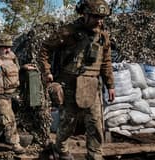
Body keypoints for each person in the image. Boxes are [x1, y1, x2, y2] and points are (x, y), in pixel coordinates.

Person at [38, 0, 115, 159]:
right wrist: (47, 73)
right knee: (68, 124)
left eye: (102, 17)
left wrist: (110, 85)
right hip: (70, 85)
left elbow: (106, 62)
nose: (99, 21)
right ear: (85, 14)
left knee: (95, 124)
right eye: (95, 17)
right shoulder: (69, 32)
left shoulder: (103, 36)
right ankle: (61, 147)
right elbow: (45, 48)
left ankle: (95, 155)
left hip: (93, 86)